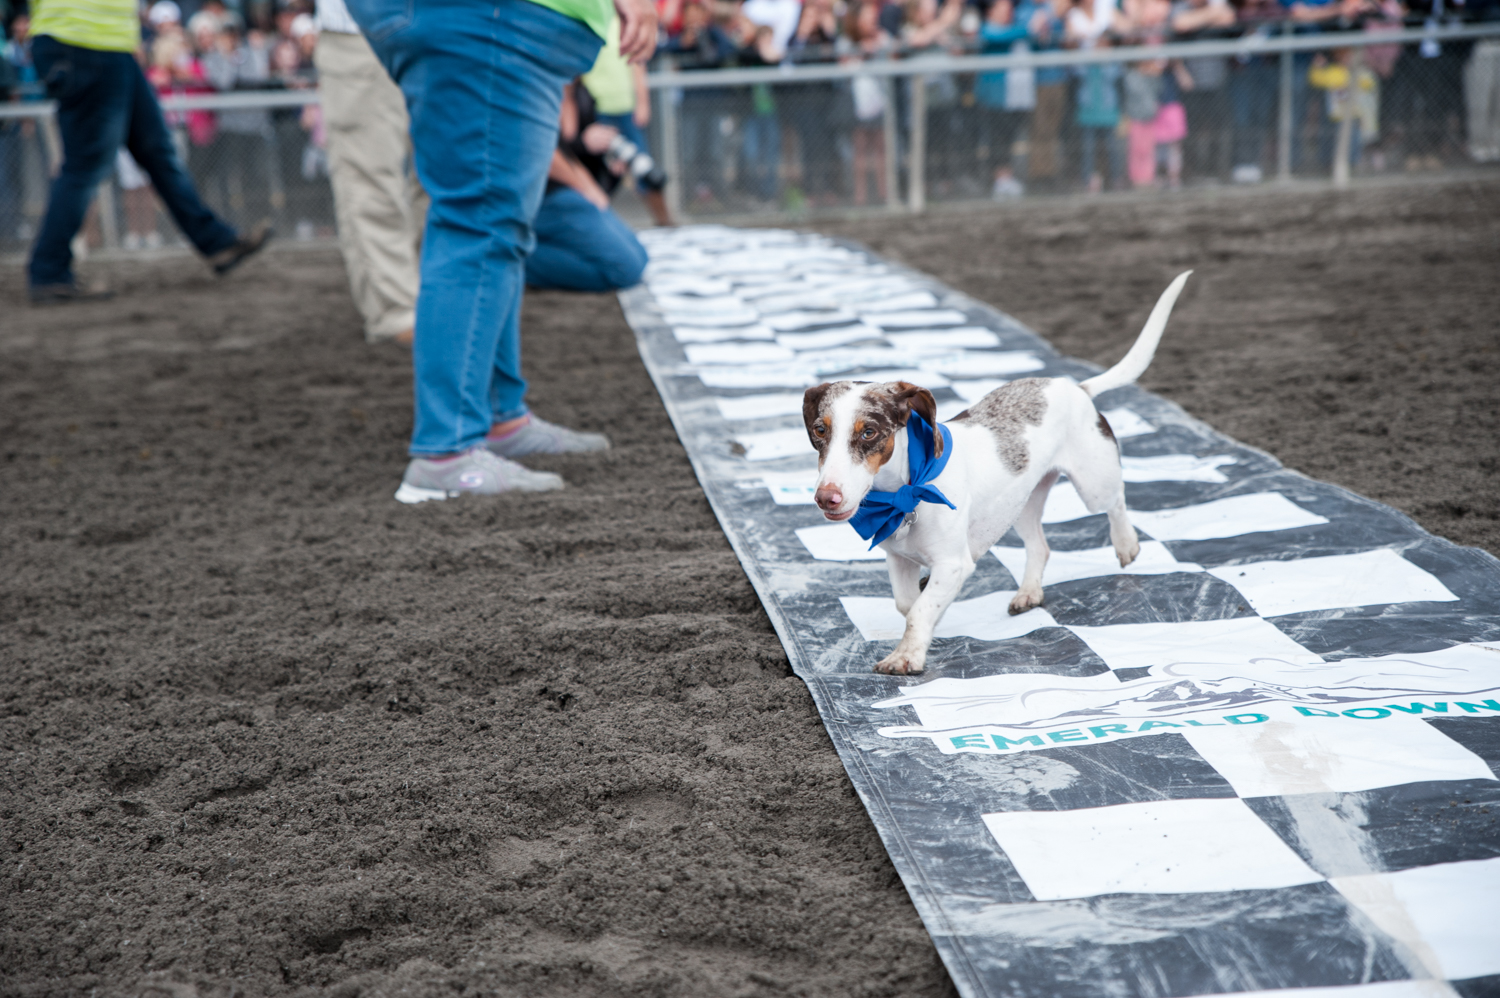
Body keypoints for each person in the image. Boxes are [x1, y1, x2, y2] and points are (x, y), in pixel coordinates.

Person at [342, 0, 656, 502]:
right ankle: (446, 454)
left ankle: (497, 419)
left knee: (491, 225)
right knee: (481, 223)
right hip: (487, 15)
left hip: (475, 17)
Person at [24, 0, 270, 303]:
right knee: (85, 166)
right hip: (84, 41)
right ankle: (48, 271)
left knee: (158, 152)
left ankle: (217, 243)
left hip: (108, 45)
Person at [313, 0, 425, 345]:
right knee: (371, 178)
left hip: (450, 24)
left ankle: (434, 296)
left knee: (447, 174)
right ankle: (397, 310)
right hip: (361, 27)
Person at [526, 81, 649, 291]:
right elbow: (543, 153)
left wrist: (605, 171)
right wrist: (586, 187)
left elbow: (569, 155)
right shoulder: (535, 88)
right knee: (627, 269)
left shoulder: (582, 94)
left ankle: (524, 255)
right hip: (547, 197)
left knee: (640, 256)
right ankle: (513, 258)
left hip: (574, 191)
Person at [580, 15, 672, 224]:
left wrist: (642, 101)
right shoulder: (589, 21)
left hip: (625, 110)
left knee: (646, 172)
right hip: (597, 111)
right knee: (601, 173)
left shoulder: (622, 22)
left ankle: (665, 222)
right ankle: (597, 225)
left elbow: (637, 63)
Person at [1075, 32, 1125, 191]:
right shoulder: (1086, 60)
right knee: (1088, 149)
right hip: (1089, 110)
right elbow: (1077, 71)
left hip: (1108, 110)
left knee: (1112, 148)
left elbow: (1114, 75)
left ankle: (1116, 179)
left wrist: (1105, 60)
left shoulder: (1113, 62)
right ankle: (1088, 180)